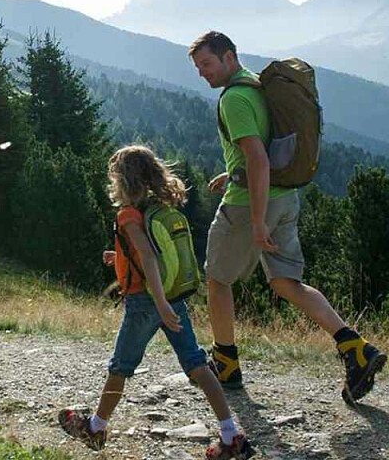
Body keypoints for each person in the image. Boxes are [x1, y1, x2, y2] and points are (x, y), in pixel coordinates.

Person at [189, 30, 386, 403]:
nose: (202, 72)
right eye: (198, 67)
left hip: (249, 205)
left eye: (207, 63)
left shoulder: (234, 99)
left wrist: (257, 219)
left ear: (229, 57)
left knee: (218, 279)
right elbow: (265, 148)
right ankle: (355, 347)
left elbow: (258, 158)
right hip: (286, 198)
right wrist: (233, 172)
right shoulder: (258, 86)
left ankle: (225, 363)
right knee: (286, 282)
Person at [58, 145, 255, 459]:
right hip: (172, 298)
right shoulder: (156, 209)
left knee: (120, 367)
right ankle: (231, 435)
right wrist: (120, 257)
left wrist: (159, 302)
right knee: (197, 364)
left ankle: (95, 428)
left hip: (145, 303)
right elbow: (147, 254)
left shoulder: (128, 214)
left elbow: (149, 256)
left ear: (124, 180)